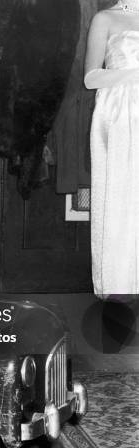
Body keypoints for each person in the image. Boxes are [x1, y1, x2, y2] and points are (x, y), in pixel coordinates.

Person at [85, 0, 139, 299]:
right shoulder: (106, 18)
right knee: (122, 202)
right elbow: (90, 77)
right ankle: (123, 292)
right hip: (122, 116)